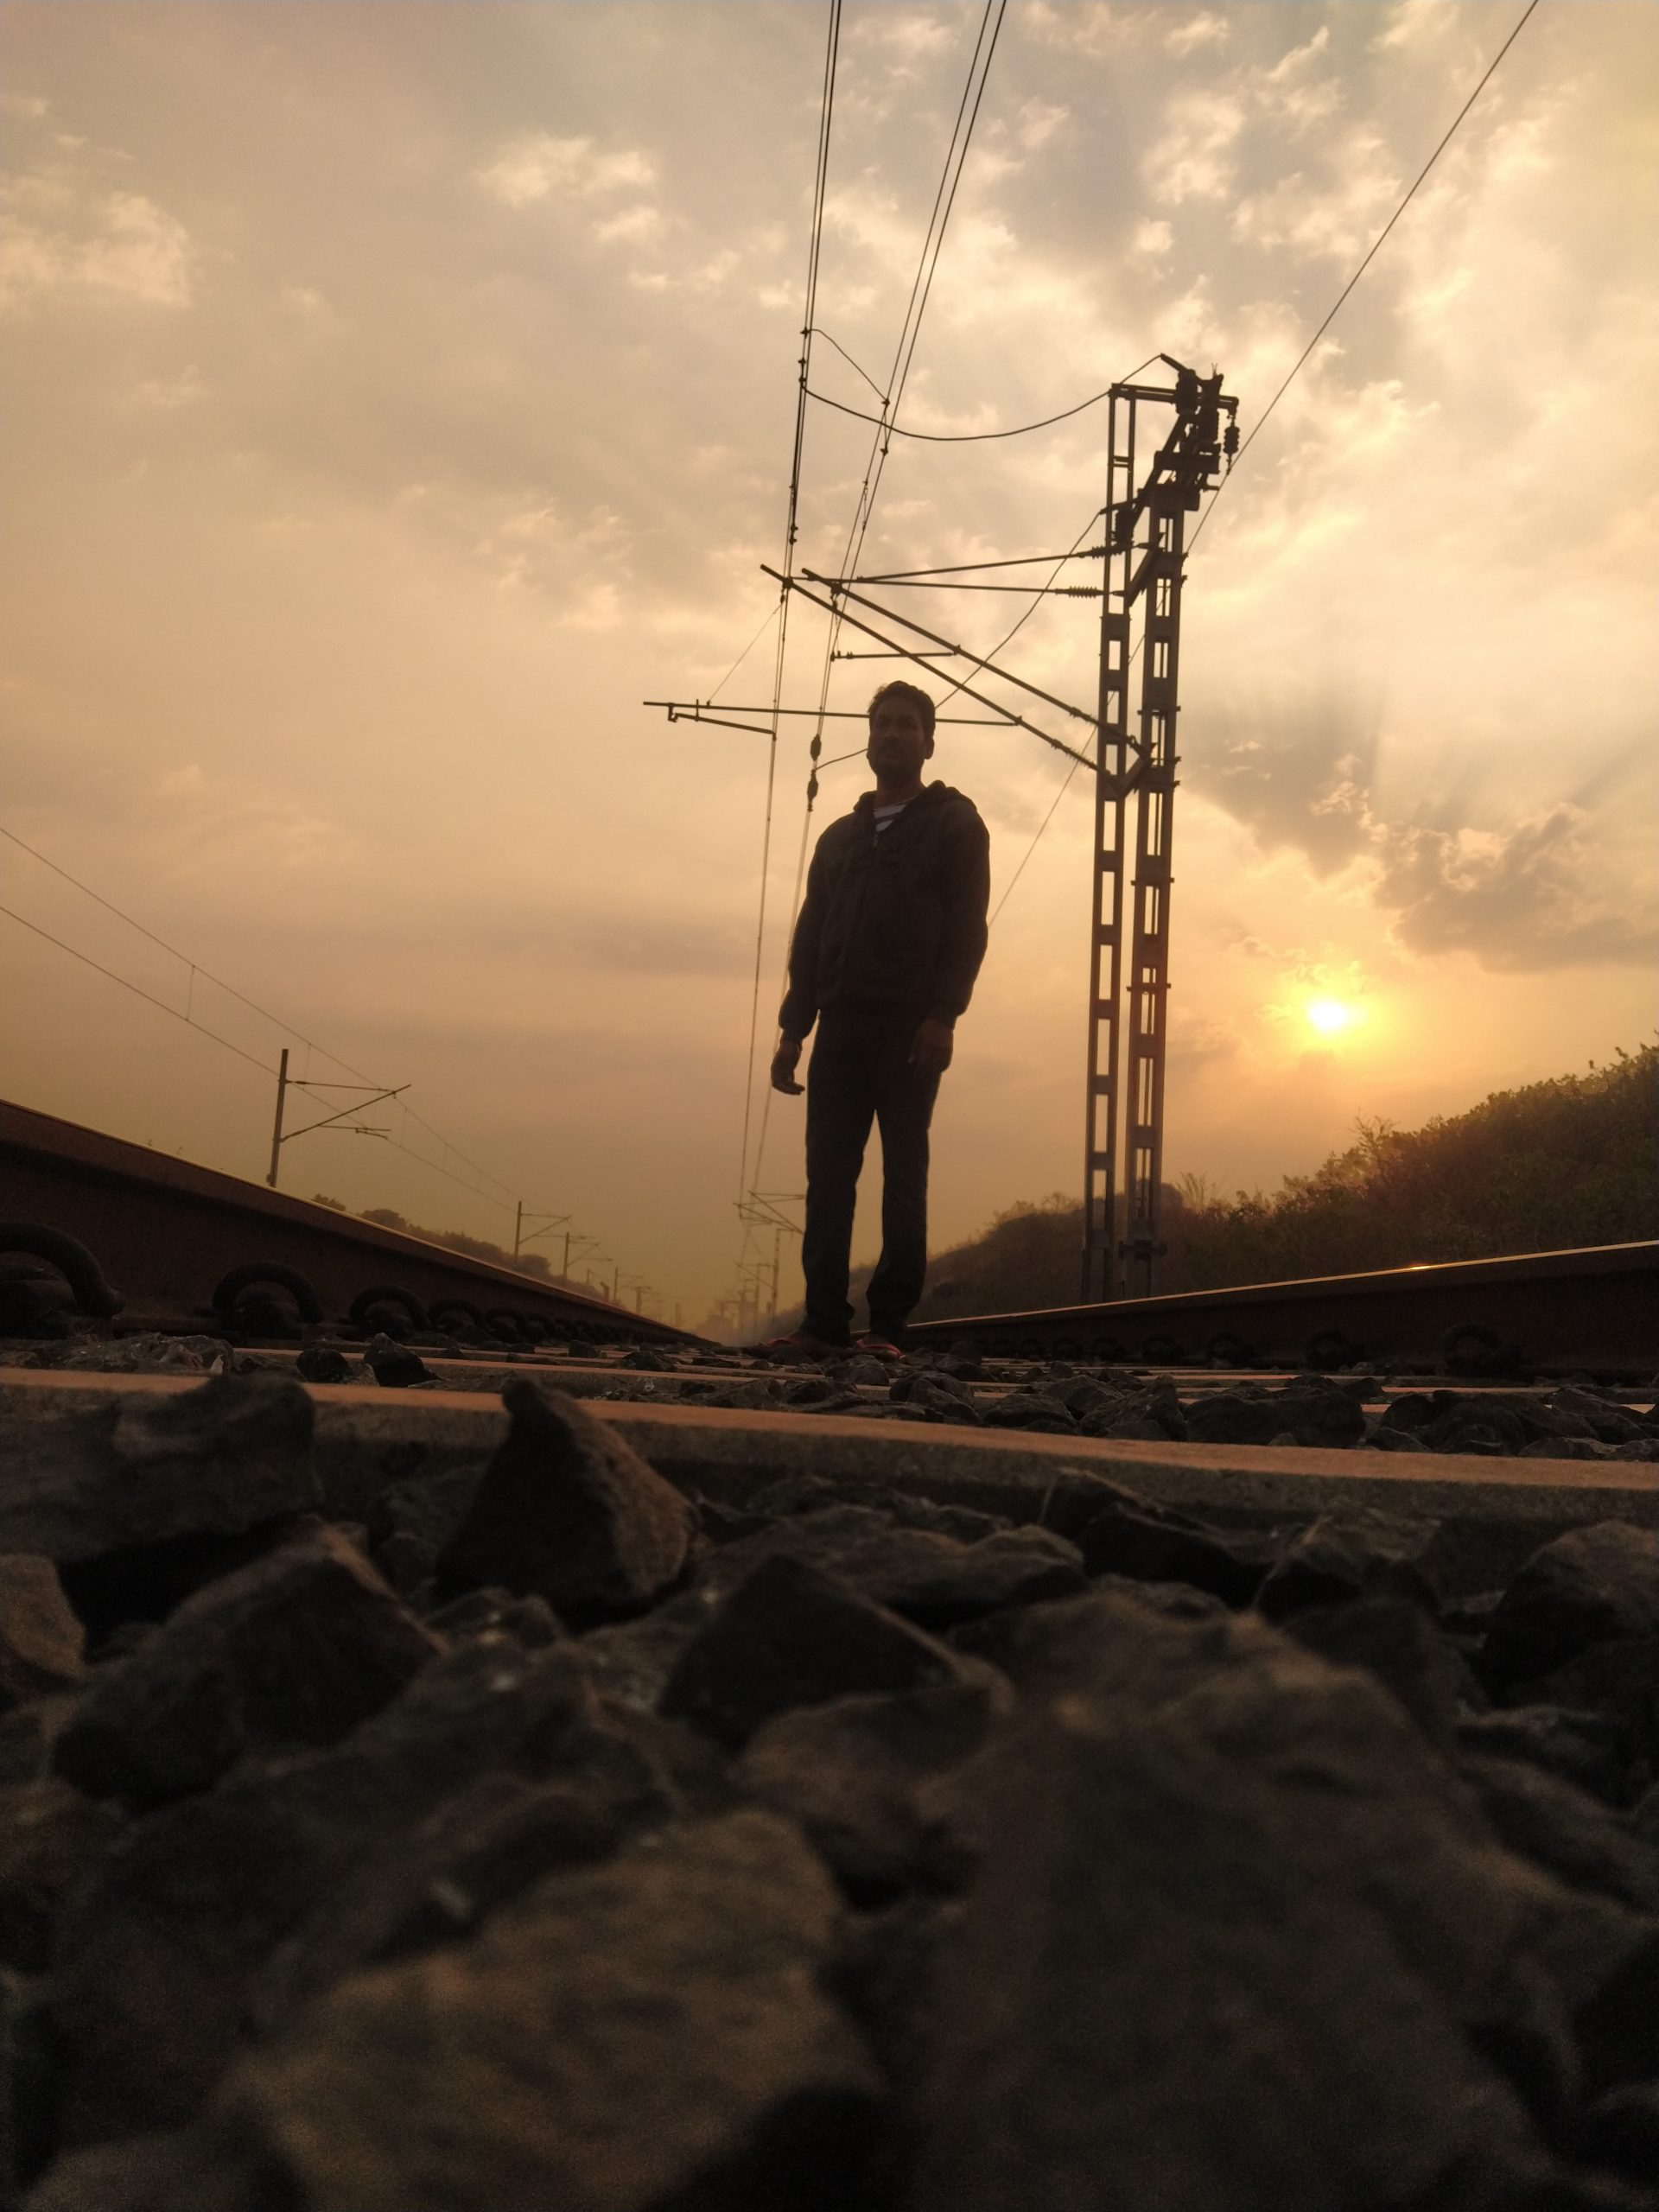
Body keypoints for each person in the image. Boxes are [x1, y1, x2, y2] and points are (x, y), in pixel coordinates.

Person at [762, 679, 989, 1359]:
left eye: (905, 726)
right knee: (828, 1177)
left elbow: (966, 929)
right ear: (868, 738)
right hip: (839, 1027)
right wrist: (793, 1030)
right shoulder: (839, 838)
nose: (891, 735)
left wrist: (944, 1016)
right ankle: (822, 1324)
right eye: (881, 724)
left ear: (928, 741)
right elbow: (810, 938)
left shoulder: (954, 824)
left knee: (903, 1173)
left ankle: (888, 1327)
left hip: (909, 1028)